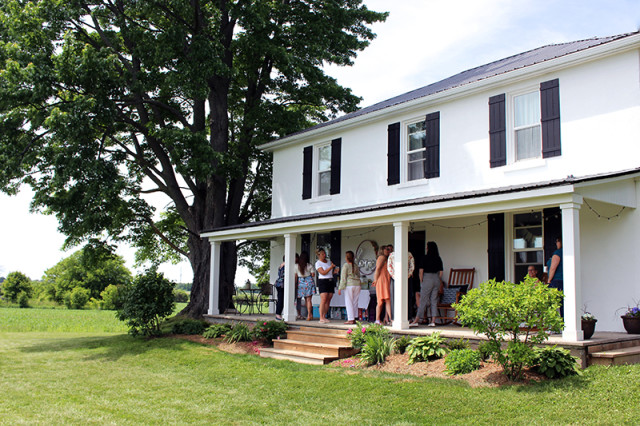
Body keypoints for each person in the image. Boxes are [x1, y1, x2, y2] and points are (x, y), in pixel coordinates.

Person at [411, 241, 443, 327]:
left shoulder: (424, 258)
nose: (426, 248)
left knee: (423, 300)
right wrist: (437, 279)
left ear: (428, 248)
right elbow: (441, 272)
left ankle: (416, 320)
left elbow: (421, 271)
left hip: (427, 278)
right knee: (434, 300)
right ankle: (433, 321)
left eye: (427, 247)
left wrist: (422, 281)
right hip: (436, 279)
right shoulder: (438, 258)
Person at [387, 247, 415, 321]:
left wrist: (407, 276)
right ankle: (394, 318)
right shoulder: (392, 255)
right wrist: (395, 277)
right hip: (395, 279)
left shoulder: (409, 254)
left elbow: (412, 266)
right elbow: (389, 267)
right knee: (394, 297)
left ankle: (408, 317)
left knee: (407, 297)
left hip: (406, 278)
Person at [315, 248, 339, 324]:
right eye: (322, 254)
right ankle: (321, 317)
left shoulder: (328, 261)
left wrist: (334, 271)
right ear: (318, 255)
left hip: (330, 280)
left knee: (329, 299)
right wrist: (331, 267)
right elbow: (323, 272)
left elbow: (330, 273)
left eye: (324, 253)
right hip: (323, 281)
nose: (324, 255)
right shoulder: (318, 263)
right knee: (323, 298)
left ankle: (324, 316)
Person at [339, 250, 361, 325]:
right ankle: (355, 317)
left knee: (349, 302)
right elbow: (358, 275)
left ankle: (351, 319)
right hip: (357, 284)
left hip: (349, 284)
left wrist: (340, 287)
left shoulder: (345, 265)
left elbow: (343, 277)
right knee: (355, 301)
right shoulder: (356, 265)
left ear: (346, 258)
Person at [372, 245, 392, 325]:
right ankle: (380, 319)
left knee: (385, 300)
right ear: (382, 250)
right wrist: (375, 280)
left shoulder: (386, 258)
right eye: (386, 249)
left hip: (385, 280)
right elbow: (378, 269)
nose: (388, 251)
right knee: (383, 300)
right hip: (382, 280)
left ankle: (382, 319)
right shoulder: (382, 257)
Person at [295, 251, 315, 321]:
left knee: (305, 299)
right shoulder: (309, 265)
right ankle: (309, 315)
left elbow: (296, 276)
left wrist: (296, 285)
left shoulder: (297, 266)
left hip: (301, 282)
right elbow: (313, 275)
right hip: (309, 281)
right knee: (309, 300)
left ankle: (310, 315)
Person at [546, 236, 564, 318]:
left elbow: (553, 268)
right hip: (564, 281)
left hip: (556, 281)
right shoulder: (566, 252)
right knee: (563, 304)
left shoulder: (558, 253)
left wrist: (549, 280)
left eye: (557, 241)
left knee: (552, 304)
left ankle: (552, 326)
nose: (556, 243)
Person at [274, 256, 285, 320]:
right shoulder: (286, 265)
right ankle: (278, 314)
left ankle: (278, 314)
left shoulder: (281, 265)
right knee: (281, 300)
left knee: (280, 299)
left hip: (278, 283)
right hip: (282, 284)